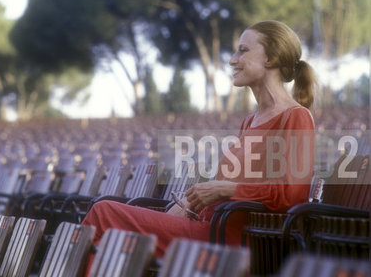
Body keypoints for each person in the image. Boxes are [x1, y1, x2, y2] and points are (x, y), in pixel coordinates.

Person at [82, 20, 316, 260]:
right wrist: (190, 204)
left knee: (103, 213)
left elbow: (292, 196)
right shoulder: (249, 122)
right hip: (209, 228)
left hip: (237, 241)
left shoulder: (296, 116)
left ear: (271, 58)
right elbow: (229, 189)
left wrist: (224, 188)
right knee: (106, 235)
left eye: (243, 50)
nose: (232, 59)